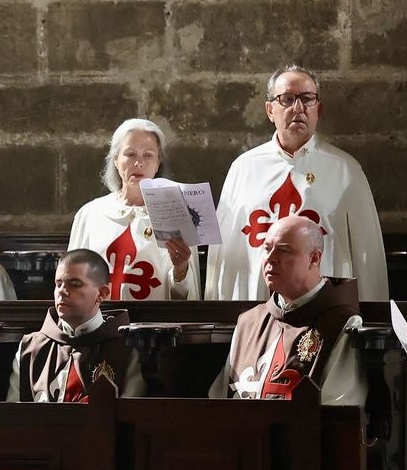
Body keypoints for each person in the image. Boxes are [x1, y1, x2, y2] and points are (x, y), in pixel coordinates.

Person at [209, 66, 387, 301]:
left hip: (323, 310)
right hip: (256, 304)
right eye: (287, 99)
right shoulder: (244, 168)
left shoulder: (345, 170)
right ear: (270, 110)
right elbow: (224, 254)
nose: (298, 108)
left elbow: (367, 256)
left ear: (318, 109)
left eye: (307, 99)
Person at [211, 216, 364, 403]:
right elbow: (218, 401)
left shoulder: (341, 323)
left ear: (314, 259)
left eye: (283, 250)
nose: (270, 258)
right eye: (267, 248)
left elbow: (339, 408)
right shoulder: (249, 322)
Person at [67, 118, 197, 301]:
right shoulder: (90, 215)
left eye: (148, 155)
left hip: (153, 325)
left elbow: (186, 297)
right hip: (99, 326)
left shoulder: (177, 215)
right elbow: (70, 284)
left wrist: (181, 269)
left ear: (158, 162)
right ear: (116, 160)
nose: (139, 163)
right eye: (131, 154)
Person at [8, 249, 146, 402]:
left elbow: (129, 415)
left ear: (102, 293)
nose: (62, 291)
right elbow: (13, 417)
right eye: (58, 284)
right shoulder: (30, 348)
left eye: (74, 284)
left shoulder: (124, 348)